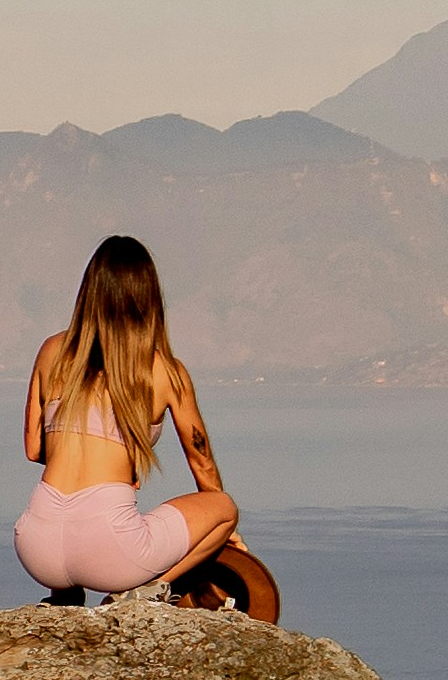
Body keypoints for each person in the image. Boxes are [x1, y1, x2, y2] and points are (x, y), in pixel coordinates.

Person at [14, 233, 265, 613]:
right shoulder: (165, 371)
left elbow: (34, 449)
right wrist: (228, 532)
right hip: (109, 554)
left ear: (89, 291)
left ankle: (65, 594)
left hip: (37, 549)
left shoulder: (52, 351)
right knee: (224, 508)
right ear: (148, 297)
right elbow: (202, 462)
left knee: (67, 533)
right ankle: (145, 591)